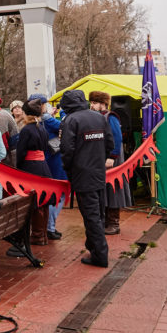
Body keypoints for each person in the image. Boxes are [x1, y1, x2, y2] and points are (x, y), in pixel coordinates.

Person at [59, 89, 113, 268]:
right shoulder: (99, 117)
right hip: (98, 172)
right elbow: (109, 144)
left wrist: (68, 168)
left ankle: (99, 255)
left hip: (82, 175)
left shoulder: (70, 120)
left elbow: (67, 149)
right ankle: (93, 247)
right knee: (98, 212)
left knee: (91, 216)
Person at [89, 91, 132, 235]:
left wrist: (112, 157)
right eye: (92, 103)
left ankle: (114, 223)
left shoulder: (110, 117)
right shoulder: (96, 117)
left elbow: (117, 137)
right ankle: (106, 221)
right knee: (105, 190)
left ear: (103, 103)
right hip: (101, 158)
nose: (92, 105)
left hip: (112, 160)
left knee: (114, 190)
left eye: (94, 103)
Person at [13, 99, 54, 249]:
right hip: (43, 167)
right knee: (44, 202)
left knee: (35, 203)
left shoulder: (26, 129)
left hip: (31, 168)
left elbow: (21, 152)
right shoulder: (41, 128)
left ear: (26, 113)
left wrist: (19, 168)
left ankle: (36, 236)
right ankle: (42, 235)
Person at [30, 93, 65, 240]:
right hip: (55, 161)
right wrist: (62, 111)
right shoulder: (48, 120)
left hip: (43, 161)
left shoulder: (32, 121)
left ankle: (48, 226)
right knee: (59, 195)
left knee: (49, 195)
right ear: (42, 105)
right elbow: (64, 125)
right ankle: (49, 227)